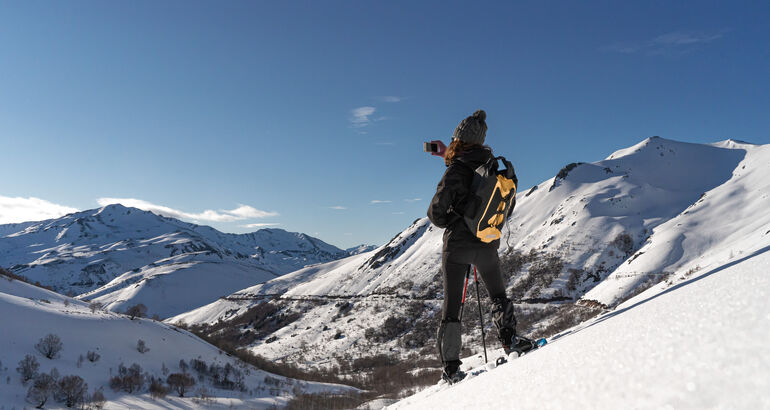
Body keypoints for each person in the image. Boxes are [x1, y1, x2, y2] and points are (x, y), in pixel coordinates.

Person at [427, 109, 519, 383]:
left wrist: (458, 214)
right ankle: (510, 339)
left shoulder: (456, 169)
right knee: (498, 295)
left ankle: (452, 368)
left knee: (452, 308)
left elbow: (436, 215)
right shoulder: (493, 168)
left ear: (457, 139)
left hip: (457, 247)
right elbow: (506, 209)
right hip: (487, 243)